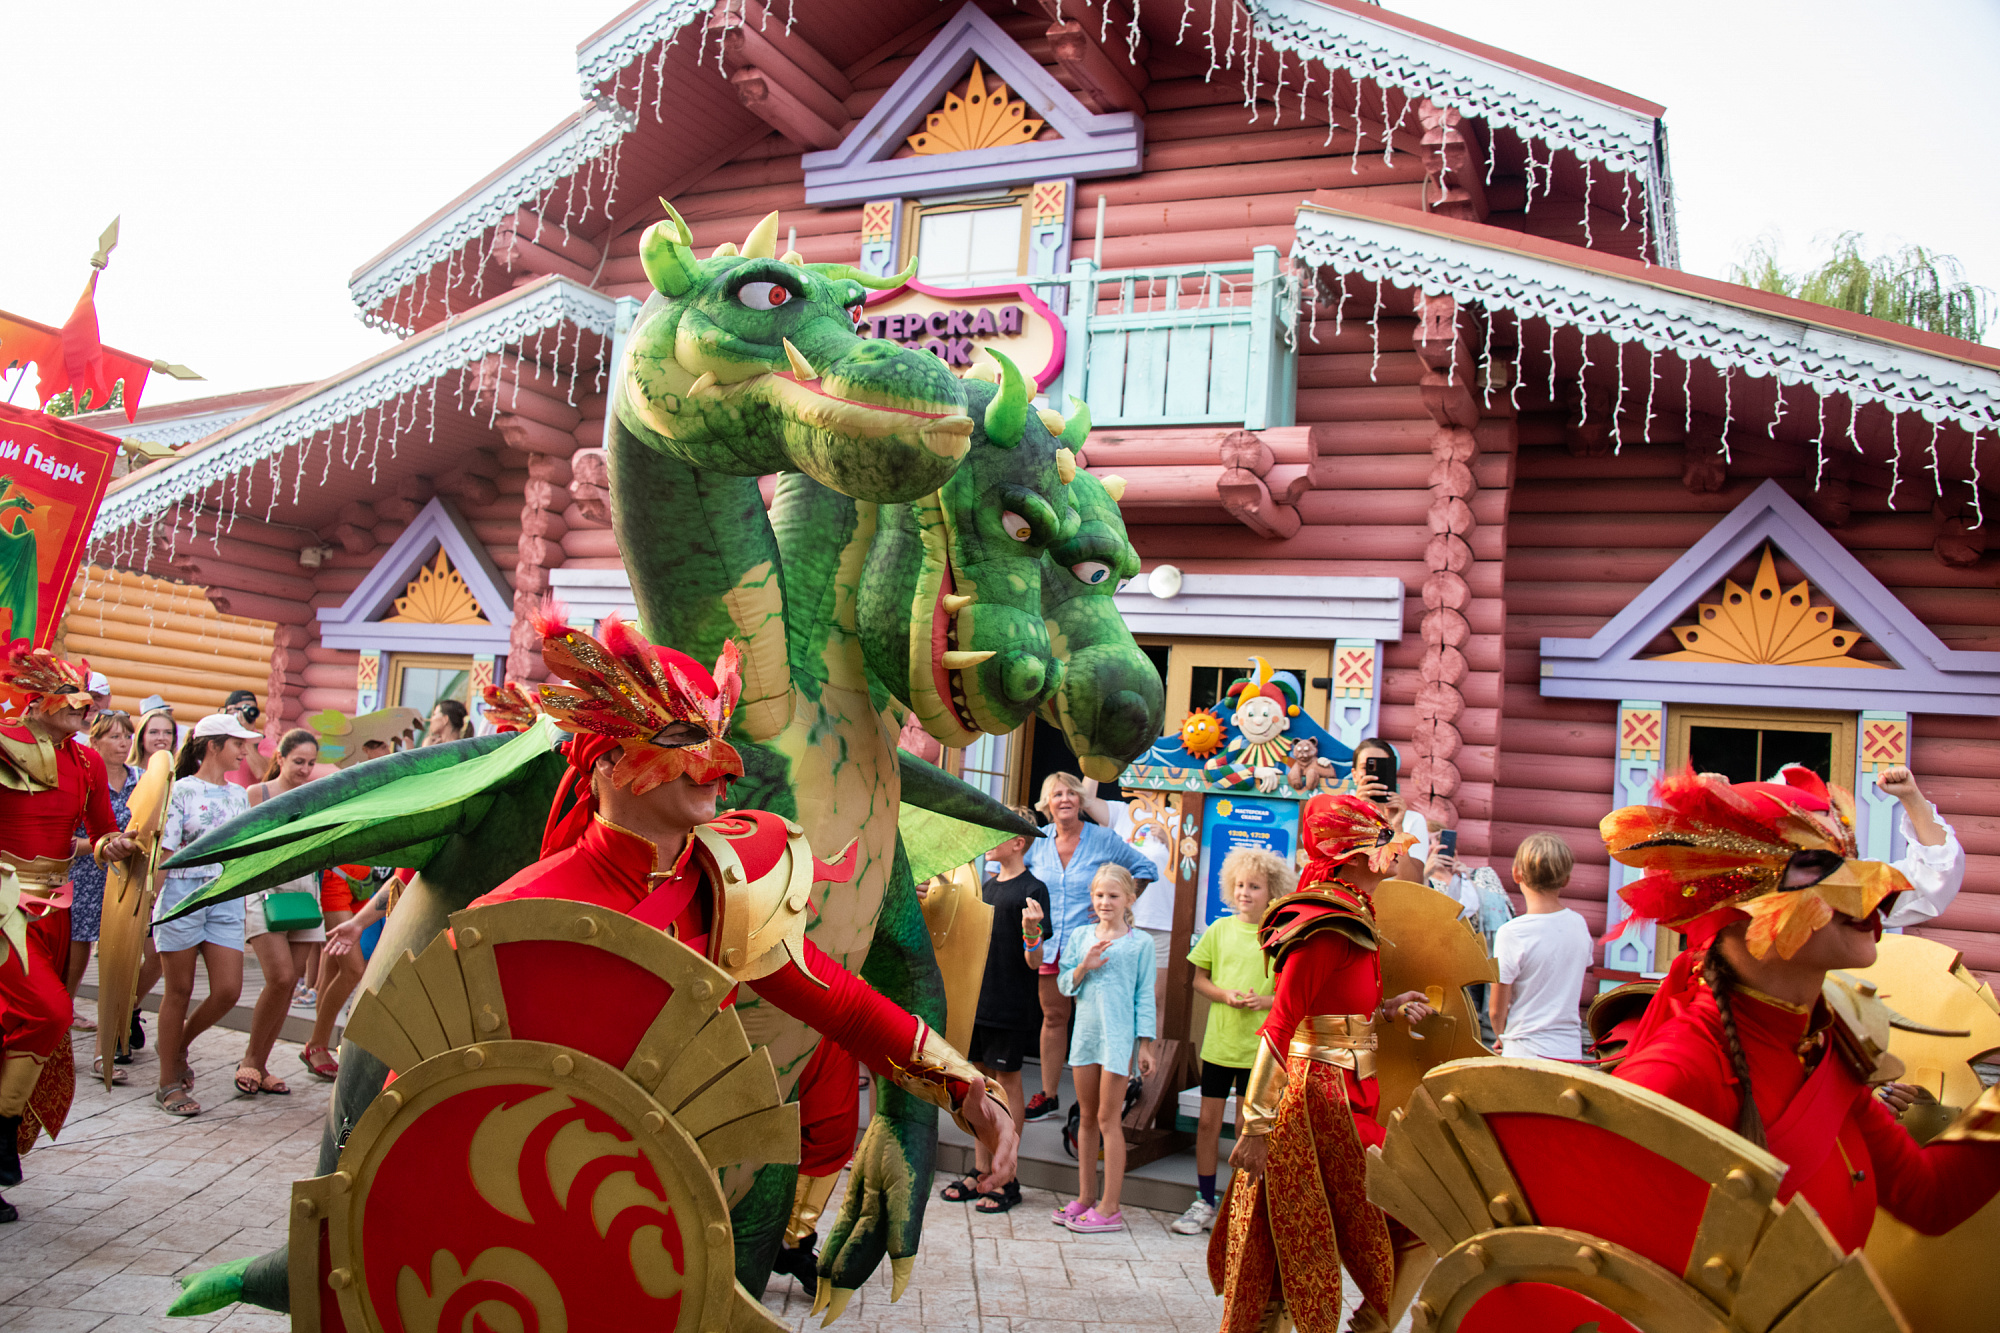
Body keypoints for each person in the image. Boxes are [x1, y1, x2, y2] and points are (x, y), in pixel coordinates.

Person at [470, 610, 1016, 1180]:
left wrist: (964, 1086)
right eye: (684, 737)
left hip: (670, 1204)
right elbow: (431, 1100)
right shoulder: (515, 915)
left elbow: (846, 1010)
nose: (720, 762)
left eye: (719, 736)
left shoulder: (726, 888)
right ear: (607, 758)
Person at [1608, 766, 2000, 1257]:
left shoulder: (1824, 1047)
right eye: (1817, 867)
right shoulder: (1673, 1077)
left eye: (1851, 861)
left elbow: (1928, 1198)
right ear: (1736, 906)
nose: (1874, 886)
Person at [1213, 794, 1441, 1333]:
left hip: (1343, 1095)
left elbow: (1332, 1010)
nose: (1395, 852)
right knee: (1418, 1221)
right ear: (1358, 854)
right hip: (1315, 1105)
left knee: (1288, 1242)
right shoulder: (1327, 923)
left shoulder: (1352, 914)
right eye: (1385, 842)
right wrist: (1256, 1126)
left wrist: (1385, 1010)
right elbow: (1282, 1025)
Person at [0, 646, 138, 1211]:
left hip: (54, 910)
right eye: (79, 698)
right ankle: (1, 1137)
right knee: (49, 1012)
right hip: (4, 905)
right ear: (40, 700)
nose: (90, 709)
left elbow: (101, 832)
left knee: (20, 1029)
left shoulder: (86, 763)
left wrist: (117, 845)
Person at [1022, 772, 1159, 1122]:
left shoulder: (1103, 839)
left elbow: (1145, 868)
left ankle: (1101, 1101)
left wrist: (1120, 907)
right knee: (1054, 1017)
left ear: (1082, 801)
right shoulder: (1036, 841)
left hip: (1095, 945)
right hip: (1052, 946)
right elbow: (1003, 869)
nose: (1064, 799)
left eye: (1071, 793)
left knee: (1100, 1020)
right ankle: (1049, 1094)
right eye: (1057, 794)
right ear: (1046, 803)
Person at [150, 712, 264, 1115]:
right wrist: (151, 906)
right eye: (238, 744)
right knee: (177, 991)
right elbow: (166, 854)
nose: (244, 751)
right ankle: (167, 1082)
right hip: (182, 895)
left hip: (226, 897)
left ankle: (178, 1045)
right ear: (214, 745)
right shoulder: (180, 791)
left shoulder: (239, 795)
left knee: (229, 989)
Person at [939, 808, 1048, 1215]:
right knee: (977, 1084)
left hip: (1010, 1002)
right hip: (978, 1001)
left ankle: (1008, 1176)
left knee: (1008, 1082)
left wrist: (1033, 932)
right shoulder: (984, 885)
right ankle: (981, 1169)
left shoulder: (1033, 889)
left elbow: (1035, 961)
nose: (988, 840)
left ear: (1018, 843)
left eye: (997, 834)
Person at [1173, 846, 1287, 1235]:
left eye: (1254, 886)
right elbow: (1198, 979)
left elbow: (1290, 992)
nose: (1245, 892)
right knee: (1207, 1122)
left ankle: (1241, 1203)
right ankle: (1204, 1199)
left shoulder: (1278, 936)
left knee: (1244, 1127)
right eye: (1240, 885)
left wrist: (1267, 1001)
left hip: (1258, 1049)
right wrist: (1224, 995)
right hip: (1219, 1045)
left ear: (1271, 891)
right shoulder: (1219, 930)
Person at [1052, 864, 1156, 1234]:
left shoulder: (1140, 944)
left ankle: (1111, 1206)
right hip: (1085, 1038)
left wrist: (1145, 1044)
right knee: (1086, 1118)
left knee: (1109, 1121)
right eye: (1099, 895)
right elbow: (1065, 984)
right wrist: (1084, 965)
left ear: (1129, 898)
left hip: (1117, 1041)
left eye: (1113, 896)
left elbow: (1145, 997)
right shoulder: (1081, 936)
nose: (1105, 902)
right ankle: (1085, 1196)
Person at [236, 730, 327, 1096]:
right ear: (281, 758)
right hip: (265, 891)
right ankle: (248, 1060)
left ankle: (260, 1064)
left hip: (304, 892)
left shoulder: (317, 798)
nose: (304, 769)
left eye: (310, 763)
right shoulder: (258, 794)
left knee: (289, 985)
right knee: (279, 976)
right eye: (298, 762)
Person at [64, 711, 140, 1080]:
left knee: (116, 966)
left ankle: (104, 1051)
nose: (123, 742)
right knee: (72, 968)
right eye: (113, 736)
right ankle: (57, 1044)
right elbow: (65, 838)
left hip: (126, 880)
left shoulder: (142, 780)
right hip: (84, 878)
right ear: (94, 743)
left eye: (127, 735)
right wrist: (100, 847)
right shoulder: (84, 775)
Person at [1489, 833, 1592, 1060]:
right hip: (1569, 1050)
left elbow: (1496, 1009)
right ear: (1565, 879)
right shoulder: (1579, 925)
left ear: (1517, 873)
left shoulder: (1512, 933)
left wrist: (1501, 1036)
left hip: (1524, 1050)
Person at [1346, 736, 1427, 881]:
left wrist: (1395, 826)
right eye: (1367, 768)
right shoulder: (1339, 815)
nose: (1374, 774)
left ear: (1391, 773)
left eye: (1381, 768)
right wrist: (1358, 812)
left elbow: (1411, 884)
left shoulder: (1412, 820)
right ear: (1355, 775)